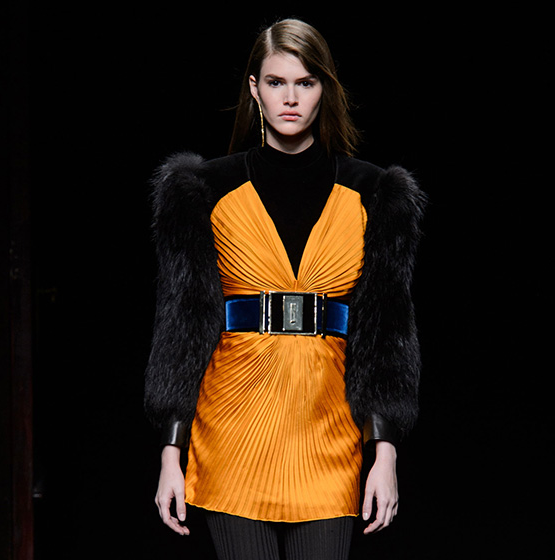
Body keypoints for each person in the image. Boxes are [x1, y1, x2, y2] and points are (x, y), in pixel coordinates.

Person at [144, 17, 427, 560]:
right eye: (276, 82)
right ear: (254, 89)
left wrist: (385, 452)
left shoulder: (375, 194)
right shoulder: (204, 190)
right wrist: (170, 453)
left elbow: (387, 333)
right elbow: (183, 324)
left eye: (305, 82)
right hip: (232, 426)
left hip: (329, 432)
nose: (290, 98)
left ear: (325, 89)